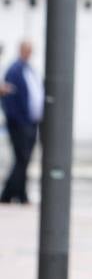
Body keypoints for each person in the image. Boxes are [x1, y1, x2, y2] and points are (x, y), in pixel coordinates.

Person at [1, 40, 41, 204]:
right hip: (20, 123)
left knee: (24, 159)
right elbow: (9, 100)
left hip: (31, 122)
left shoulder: (28, 69)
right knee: (22, 158)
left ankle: (15, 193)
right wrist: (17, 119)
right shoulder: (14, 70)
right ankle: (11, 194)